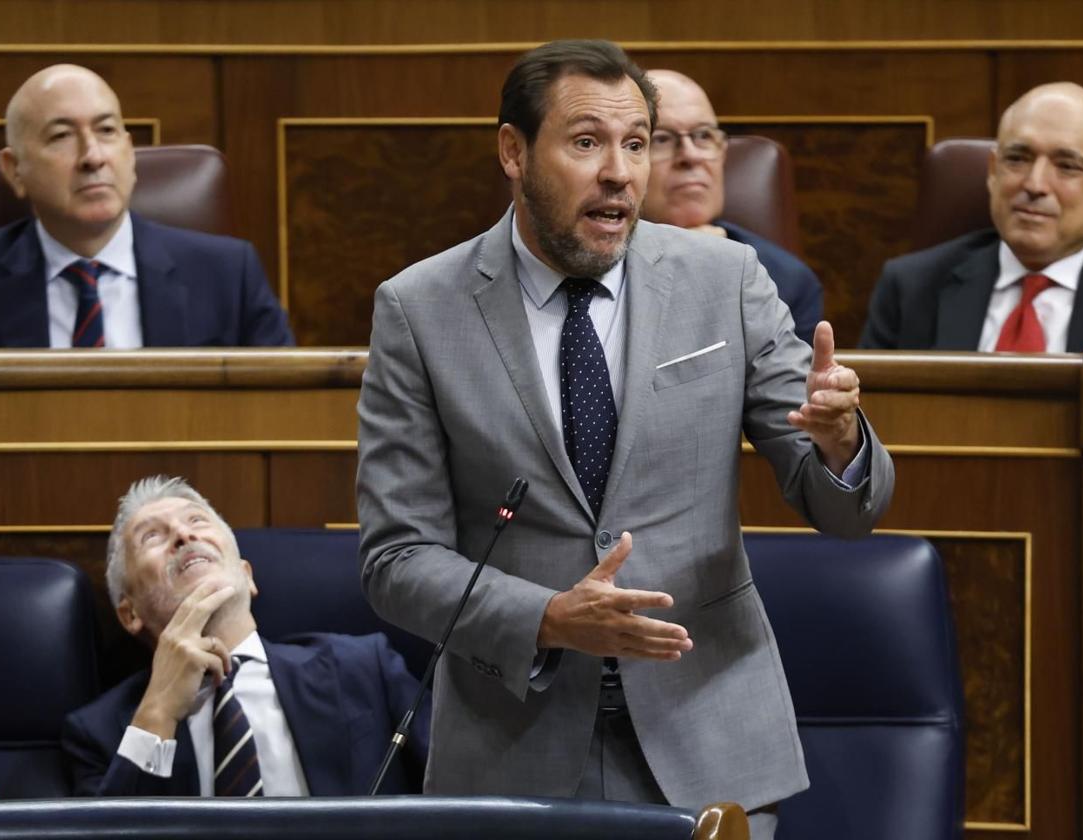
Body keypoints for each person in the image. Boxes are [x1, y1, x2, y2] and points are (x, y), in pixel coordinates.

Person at [356, 39, 893, 839]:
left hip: (708, 737)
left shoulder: (727, 280)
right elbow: (397, 560)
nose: (620, 173)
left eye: (636, 144)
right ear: (513, 150)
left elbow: (848, 512)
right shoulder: (420, 311)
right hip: (513, 748)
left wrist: (843, 441)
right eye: (586, 143)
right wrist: (547, 617)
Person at [857, 81, 1083, 721]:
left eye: (1067, 166)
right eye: (1017, 158)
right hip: (930, 573)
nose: (1035, 183)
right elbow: (869, 443)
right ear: (990, 172)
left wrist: (1055, 500)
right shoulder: (915, 285)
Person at [62, 475, 427, 796]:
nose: (183, 535)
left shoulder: (363, 667)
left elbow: (461, 790)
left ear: (246, 575)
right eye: (152, 536)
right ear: (130, 614)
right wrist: (159, 708)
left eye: (197, 521)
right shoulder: (99, 734)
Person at [0, 64, 293, 347]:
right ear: (15, 170)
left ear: (129, 151)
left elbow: (285, 400)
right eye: (62, 136)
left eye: (106, 130)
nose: (93, 156)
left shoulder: (228, 276)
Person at [640, 68, 822, 344]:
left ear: (722, 153)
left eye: (703, 136)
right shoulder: (593, 264)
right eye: (662, 139)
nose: (690, 156)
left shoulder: (787, 280)